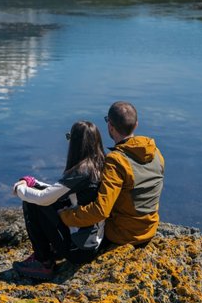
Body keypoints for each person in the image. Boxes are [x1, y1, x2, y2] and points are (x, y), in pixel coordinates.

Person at [59, 101, 164, 248]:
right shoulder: (156, 152)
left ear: (110, 127)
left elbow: (100, 211)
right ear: (136, 125)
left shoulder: (116, 161)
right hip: (149, 229)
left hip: (123, 235)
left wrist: (66, 216)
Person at [12, 120, 106, 280]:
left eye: (69, 137)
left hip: (79, 250)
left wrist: (19, 189)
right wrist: (34, 183)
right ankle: (49, 253)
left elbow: (44, 198)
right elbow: (58, 192)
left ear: (76, 143)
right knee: (44, 199)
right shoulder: (99, 165)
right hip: (94, 242)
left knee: (31, 202)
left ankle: (43, 262)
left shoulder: (82, 171)